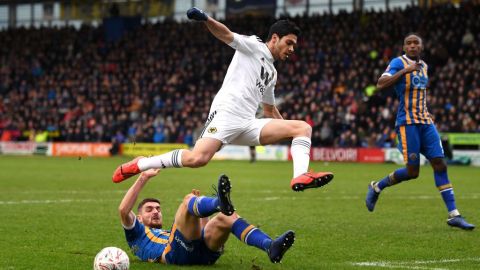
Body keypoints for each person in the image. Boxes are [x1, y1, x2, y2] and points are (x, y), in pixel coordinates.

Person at [112, 7, 333, 191]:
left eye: (294, 45)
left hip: (248, 123)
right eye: (289, 42)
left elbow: (269, 111)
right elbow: (226, 35)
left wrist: (290, 134)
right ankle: (140, 163)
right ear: (274, 38)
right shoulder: (254, 45)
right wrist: (205, 18)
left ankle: (300, 176)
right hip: (227, 114)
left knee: (302, 128)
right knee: (197, 159)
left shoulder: (272, 73)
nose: (292, 49)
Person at [365, 33, 475, 230]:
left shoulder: (424, 67)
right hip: (407, 123)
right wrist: (405, 71)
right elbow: (380, 84)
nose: (413, 46)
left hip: (425, 122)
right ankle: (377, 187)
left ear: (422, 47)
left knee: (440, 164)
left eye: (416, 43)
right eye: (409, 43)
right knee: (412, 172)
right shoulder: (398, 62)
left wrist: (427, 111)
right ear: (404, 47)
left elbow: (419, 94)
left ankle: (454, 215)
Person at [118, 170, 295, 265]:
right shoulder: (137, 234)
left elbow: (202, 234)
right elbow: (123, 210)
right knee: (187, 200)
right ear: (139, 218)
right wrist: (143, 177)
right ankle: (216, 202)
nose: (156, 211)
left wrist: (200, 215)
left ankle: (270, 246)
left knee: (226, 217)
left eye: (158, 208)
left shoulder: (165, 234)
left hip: (203, 255)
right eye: (149, 210)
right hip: (174, 256)